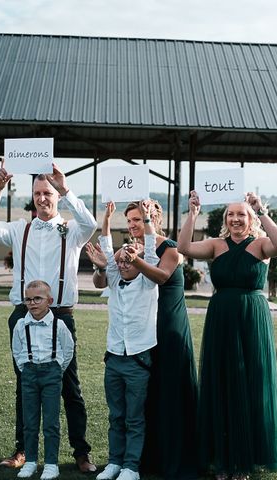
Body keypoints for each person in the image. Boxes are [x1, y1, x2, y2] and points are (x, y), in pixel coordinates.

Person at [0, 161, 98, 472]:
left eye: (47, 192)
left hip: (60, 316)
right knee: (25, 384)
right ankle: (23, 450)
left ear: (56, 195)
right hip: (24, 316)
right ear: (32, 197)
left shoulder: (71, 231)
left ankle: (81, 452)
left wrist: (66, 187)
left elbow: (91, 224)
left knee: (70, 386)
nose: (42, 198)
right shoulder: (20, 229)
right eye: (37, 193)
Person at [177, 190, 277, 480]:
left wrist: (262, 209)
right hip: (222, 318)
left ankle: (246, 458)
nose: (236, 218)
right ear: (225, 219)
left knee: (250, 382)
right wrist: (192, 213)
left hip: (252, 319)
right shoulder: (216, 245)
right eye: (231, 214)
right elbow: (184, 246)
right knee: (222, 381)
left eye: (242, 214)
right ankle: (222, 457)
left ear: (250, 218)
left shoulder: (261, 245)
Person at [87, 198, 199, 480]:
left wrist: (133, 256)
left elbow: (160, 276)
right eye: (130, 220)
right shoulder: (126, 253)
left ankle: (171, 456)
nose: (132, 225)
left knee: (168, 392)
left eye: (138, 219)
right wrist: (108, 262)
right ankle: (137, 460)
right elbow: (106, 279)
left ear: (152, 218)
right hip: (136, 333)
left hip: (167, 325)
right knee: (140, 400)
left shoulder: (168, 249)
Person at [94, 201, 159, 480]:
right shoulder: (114, 281)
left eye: (128, 260)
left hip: (138, 361)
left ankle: (131, 466)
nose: (122, 264)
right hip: (114, 359)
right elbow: (108, 249)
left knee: (134, 418)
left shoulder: (147, 282)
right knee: (115, 417)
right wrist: (106, 219)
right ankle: (114, 463)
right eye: (120, 261)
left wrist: (145, 218)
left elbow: (152, 247)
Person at [12, 280, 74, 480]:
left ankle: (50, 463)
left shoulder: (59, 325)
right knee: (29, 421)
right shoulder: (21, 325)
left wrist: (56, 369)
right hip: (29, 374)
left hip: (52, 375)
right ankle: (30, 461)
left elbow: (68, 350)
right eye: (28, 299)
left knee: (50, 422)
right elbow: (17, 350)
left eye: (37, 298)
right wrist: (26, 368)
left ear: (50, 300)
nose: (32, 303)